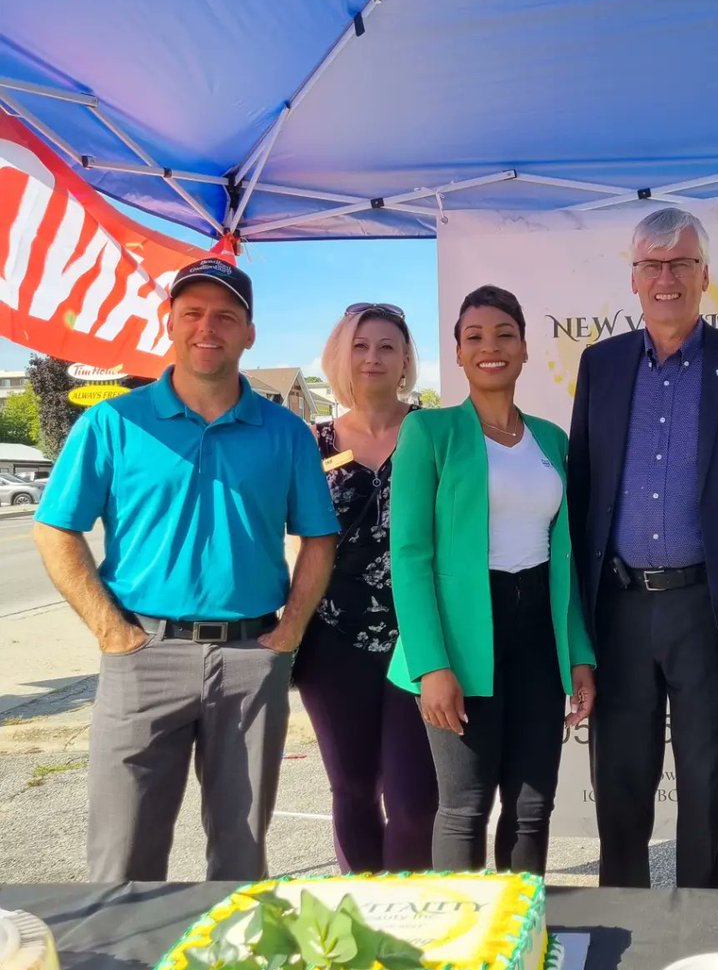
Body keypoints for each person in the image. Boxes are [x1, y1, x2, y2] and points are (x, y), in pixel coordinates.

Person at [32, 257, 339, 882]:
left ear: (250, 333)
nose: (208, 327)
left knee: (239, 855)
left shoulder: (286, 433)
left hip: (253, 656)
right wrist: (112, 632)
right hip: (142, 654)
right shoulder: (113, 423)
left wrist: (289, 635)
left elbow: (319, 538)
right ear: (168, 322)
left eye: (226, 316)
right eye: (193, 313)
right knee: (122, 857)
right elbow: (54, 527)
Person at [568, 208, 718, 889]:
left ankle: (706, 935)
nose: (666, 279)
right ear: (634, 277)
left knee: (704, 787)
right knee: (621, 785)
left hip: (709, 606)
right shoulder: (600, 365)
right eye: (652, 266)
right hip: (620, 608)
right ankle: (622, 923)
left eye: (681, 265)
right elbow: (582, 490)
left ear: (704, 275)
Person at [389, 285, 596, 875]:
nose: (491, 347)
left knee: (533, 805)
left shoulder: (551, 441)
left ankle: (520, 932)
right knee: (464, 807)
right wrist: (432, 665)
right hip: (460, 642)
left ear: (526, 348)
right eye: (474, 337)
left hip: (536, 637)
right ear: (456, 353)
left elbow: (568, 561)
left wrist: (578, 653)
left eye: (505, 334)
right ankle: (459, 954)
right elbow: (409, 555)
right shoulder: (430, 434)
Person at [292, 302, 438, 873]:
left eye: (386, 346)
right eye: (360, 346)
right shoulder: (311, 441)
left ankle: (412, 913)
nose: (373, 357)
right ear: (341, 357)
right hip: (332, 641)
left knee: (413, 800)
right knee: (351, 788)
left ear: (406, 360)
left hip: (418, 642)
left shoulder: (436, 432)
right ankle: (365, 915)